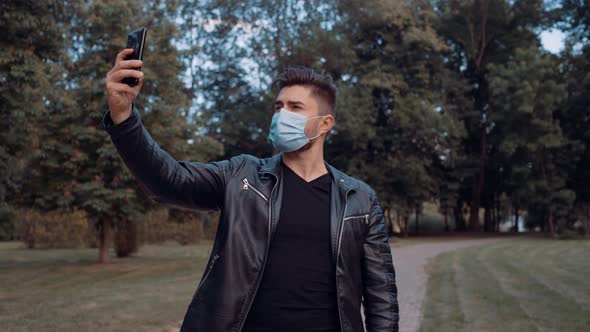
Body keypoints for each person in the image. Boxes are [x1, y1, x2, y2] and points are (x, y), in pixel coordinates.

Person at [101, 48, 399, 332]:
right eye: (278, 107)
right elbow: (168, 180)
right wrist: (124, 116)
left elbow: (381, 295)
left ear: (324, 124)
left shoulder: (359, 199)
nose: (282, 115)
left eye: (295, 108)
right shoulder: (241, 176)